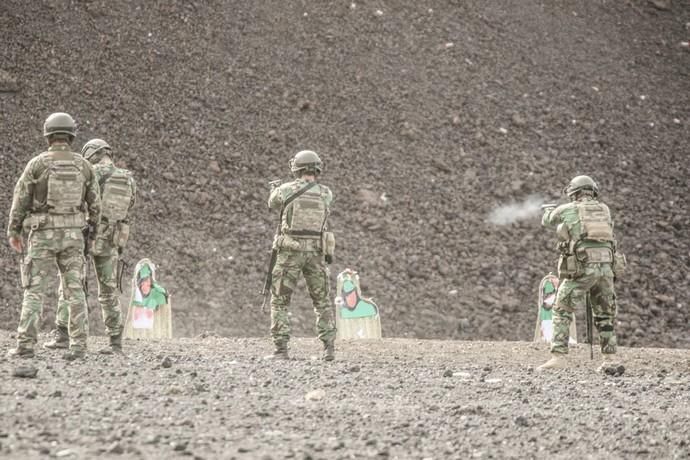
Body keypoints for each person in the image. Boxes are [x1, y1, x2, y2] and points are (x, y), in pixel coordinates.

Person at [6, 112, 100, 360]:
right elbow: (95, 205)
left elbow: (21, 199)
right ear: (71, 135)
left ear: (48, 135)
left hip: (43, 236)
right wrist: (92, 235)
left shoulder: (37, 164)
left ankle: (25, 345)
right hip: (73, 238)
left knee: (34, 290)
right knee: (75, 291)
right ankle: (78, 346)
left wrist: (14, 231)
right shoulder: (84, 166)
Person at [45, 139, 136, 354]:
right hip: (111, 239)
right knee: (108, 291)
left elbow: (76, 201)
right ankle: (115, 343)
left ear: (92, 154)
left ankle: (63, 335)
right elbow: (130, 205)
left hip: (85, 237)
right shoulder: (127, 178)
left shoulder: (88, 171)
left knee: (72, 286)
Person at [538, 175, 622, 371]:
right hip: (606, 268)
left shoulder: (568, 209)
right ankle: (610, 359)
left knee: (561, 309)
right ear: (593, 191)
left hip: (582, 268)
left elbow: (548, 221)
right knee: (604, 315)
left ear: (573, 193)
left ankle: (558, 357)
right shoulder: (604, 209)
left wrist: (549, 210)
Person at [267, 150, 336, 361]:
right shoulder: (326, 193)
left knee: (280, 301)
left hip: (290, 252)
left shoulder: (286, 190)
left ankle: (281, 350)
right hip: (316, 252)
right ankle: (329, 349)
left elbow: (273, 204)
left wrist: (275, 189)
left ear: (296, 168)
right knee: (322, 301)